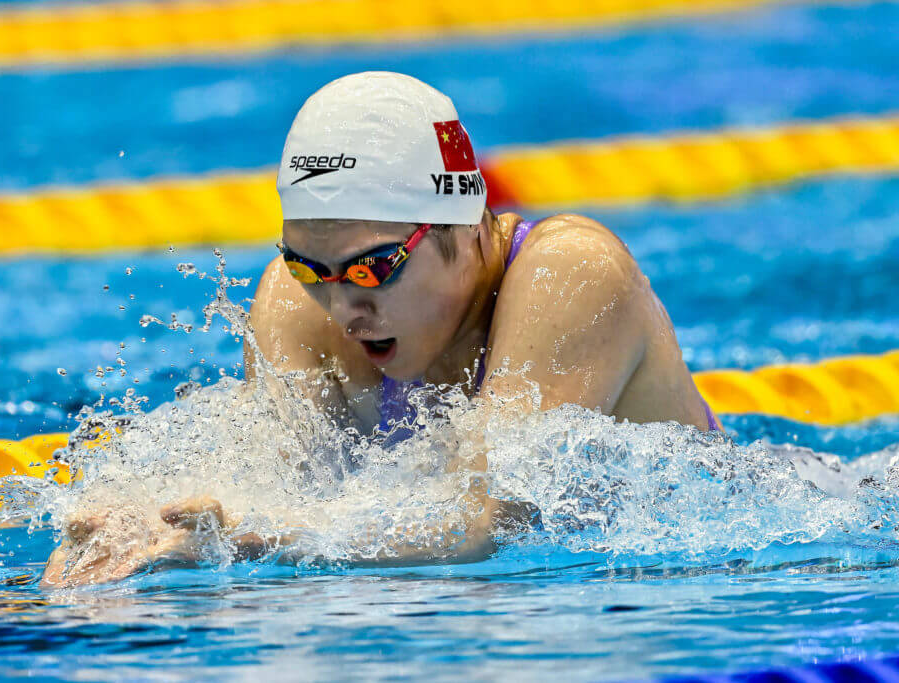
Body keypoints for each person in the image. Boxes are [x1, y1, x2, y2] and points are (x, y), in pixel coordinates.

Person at [43, 71, 720, 587]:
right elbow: (277, 482)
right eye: (311, 267)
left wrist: (261, 537)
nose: (341, 309)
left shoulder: (570, 273)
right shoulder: (298, 302)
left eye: (371, 268)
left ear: (462, 227)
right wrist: (145, 520)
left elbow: (487, 518)